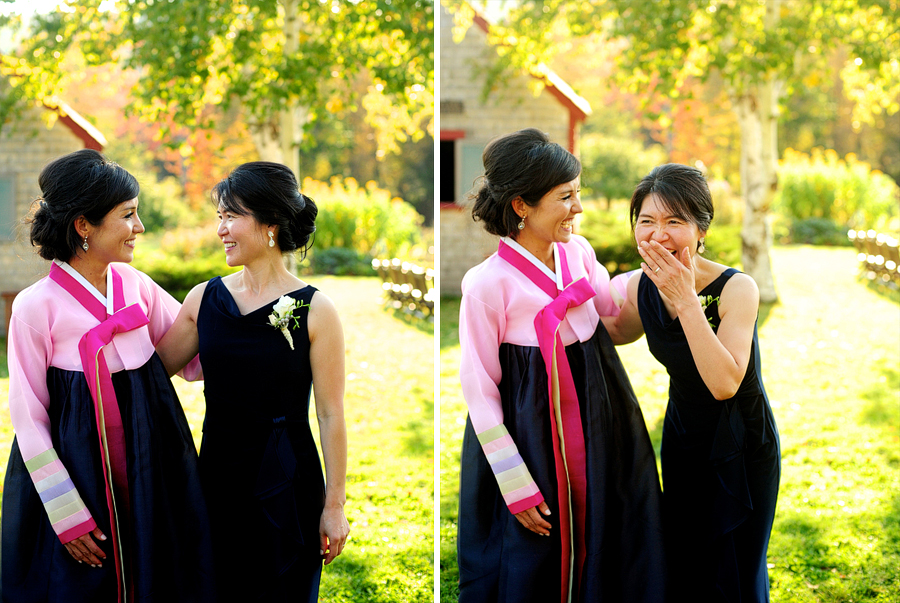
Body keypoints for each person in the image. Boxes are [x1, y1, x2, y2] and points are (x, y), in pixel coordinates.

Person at [456, 128, 667, 603]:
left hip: (600, 415)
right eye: (565, 196)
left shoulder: (580, 252)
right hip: (531, 434)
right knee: (538, 552)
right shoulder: (487, 286)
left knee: (610, 530)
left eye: (578, 194)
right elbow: (479, 389)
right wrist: (514, 484)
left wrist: (661, 276)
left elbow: (612, 311)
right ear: (521, 206)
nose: (578, 208)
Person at [1, 149, 214, 602]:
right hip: (77, 472)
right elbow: (28, 417)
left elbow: (196, 357)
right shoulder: (35, 307)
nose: (139, 227)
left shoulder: (136, 286)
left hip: (151, 464)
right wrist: (65, 513)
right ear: (84, 226)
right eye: (128, 215)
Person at [156, 161, 349, 603]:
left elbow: (331, 412)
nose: (221, 229)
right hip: (218, 476)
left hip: (287, 476)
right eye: (219, 216)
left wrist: (334, 505)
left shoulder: (317, 310)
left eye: (232, 216)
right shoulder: (204, 299)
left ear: (271, 225)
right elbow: (151, 374)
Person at [603, 163, 781, 602]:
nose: (658, 235)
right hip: (683, 442)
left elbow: (725, 382)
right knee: (687, 565)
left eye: (673, 221)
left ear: (701, 230)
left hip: (741, 445)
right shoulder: (637, 287)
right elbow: (608, 332)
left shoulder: (738, 289)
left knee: (736, 570)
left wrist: (685, 300)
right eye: (646, 221)